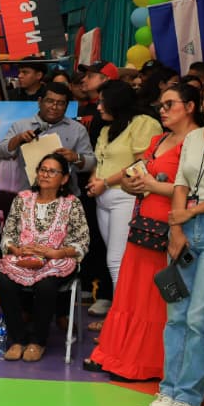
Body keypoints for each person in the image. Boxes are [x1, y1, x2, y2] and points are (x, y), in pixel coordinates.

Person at [86, 84, 202, 380]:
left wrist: (152, 186)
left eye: (169, 104)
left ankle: (146, 363)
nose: (162, 110)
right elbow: (136, 171)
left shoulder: (198, 141)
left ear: (190, 107)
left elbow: (195, 192)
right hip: (143, 221)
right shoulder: (159, 139)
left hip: (172, 224)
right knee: (131, 289)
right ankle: (118, 354)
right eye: (161, 105)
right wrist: (128, 183)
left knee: (155, 295)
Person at [152, 82, 204, 406]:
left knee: (199, 319)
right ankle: (169, 389)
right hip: (184, 228)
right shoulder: (193, 138)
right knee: (176, 314)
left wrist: (191, 212)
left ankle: (189, 398)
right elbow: (180, 183)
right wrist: (176, 228)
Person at [0, 154, 89, 362]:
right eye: (42, 169)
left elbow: (82, 241)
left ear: (64, 178)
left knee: (46, 285)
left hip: (57, 260)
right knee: (4, 282)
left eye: (52, 171)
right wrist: (15, 249)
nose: (45, 174)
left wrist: (58, 253)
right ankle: (18, 340)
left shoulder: (72, 204)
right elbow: (8, 233)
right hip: (23, 258)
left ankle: (38, 342)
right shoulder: (22, 198)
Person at [86, 80, 163, 293]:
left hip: (126, 197)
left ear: (117, 102)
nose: (98, 107)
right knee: (115, 258)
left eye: (103, 102)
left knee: (116, 259)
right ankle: (121, 306)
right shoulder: (107, 129)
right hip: (103, 199)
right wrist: (94, 180)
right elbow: (100, 161)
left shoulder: (143, 123)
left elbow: (141, 164)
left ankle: (120, 310)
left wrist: (105, 182)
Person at [0, 82, 93, 202]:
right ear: (40, 101)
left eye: (60, 103)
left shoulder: (78, 129)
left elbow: (91, 163)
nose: (54, 107)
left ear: (66, 106)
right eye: (50, 101)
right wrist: (18, 139)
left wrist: (75, 157)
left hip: (65, 199)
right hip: (28, 197)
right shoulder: (21, 126)